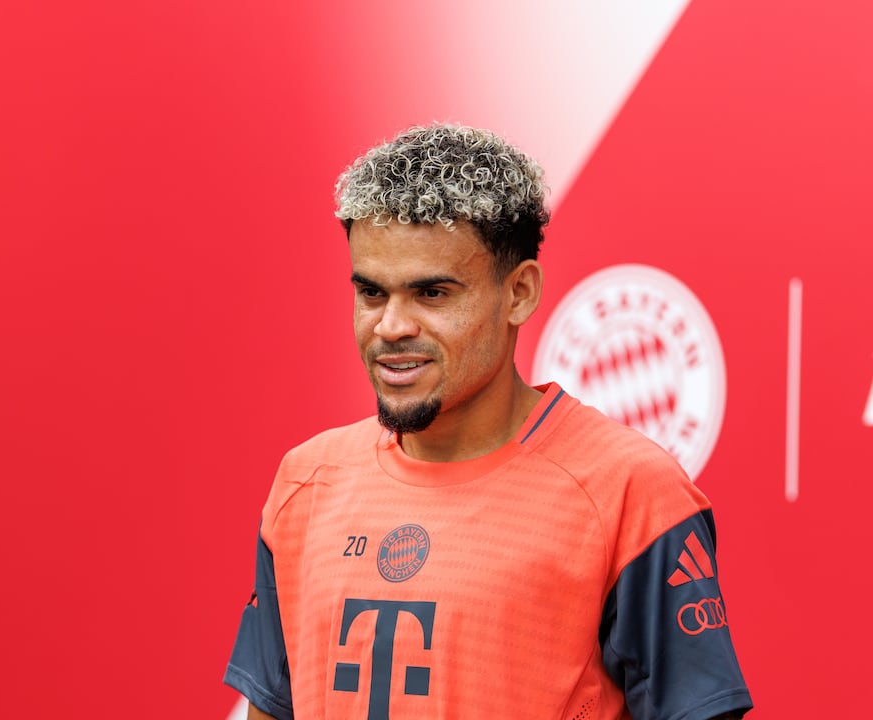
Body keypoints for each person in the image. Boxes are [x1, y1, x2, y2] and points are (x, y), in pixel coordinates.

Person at [223, 123, 752, 720]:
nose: (391, 327)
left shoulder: (630, 492)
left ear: (519, 293)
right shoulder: (305, 484)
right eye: (371, 293)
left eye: (432, 295)